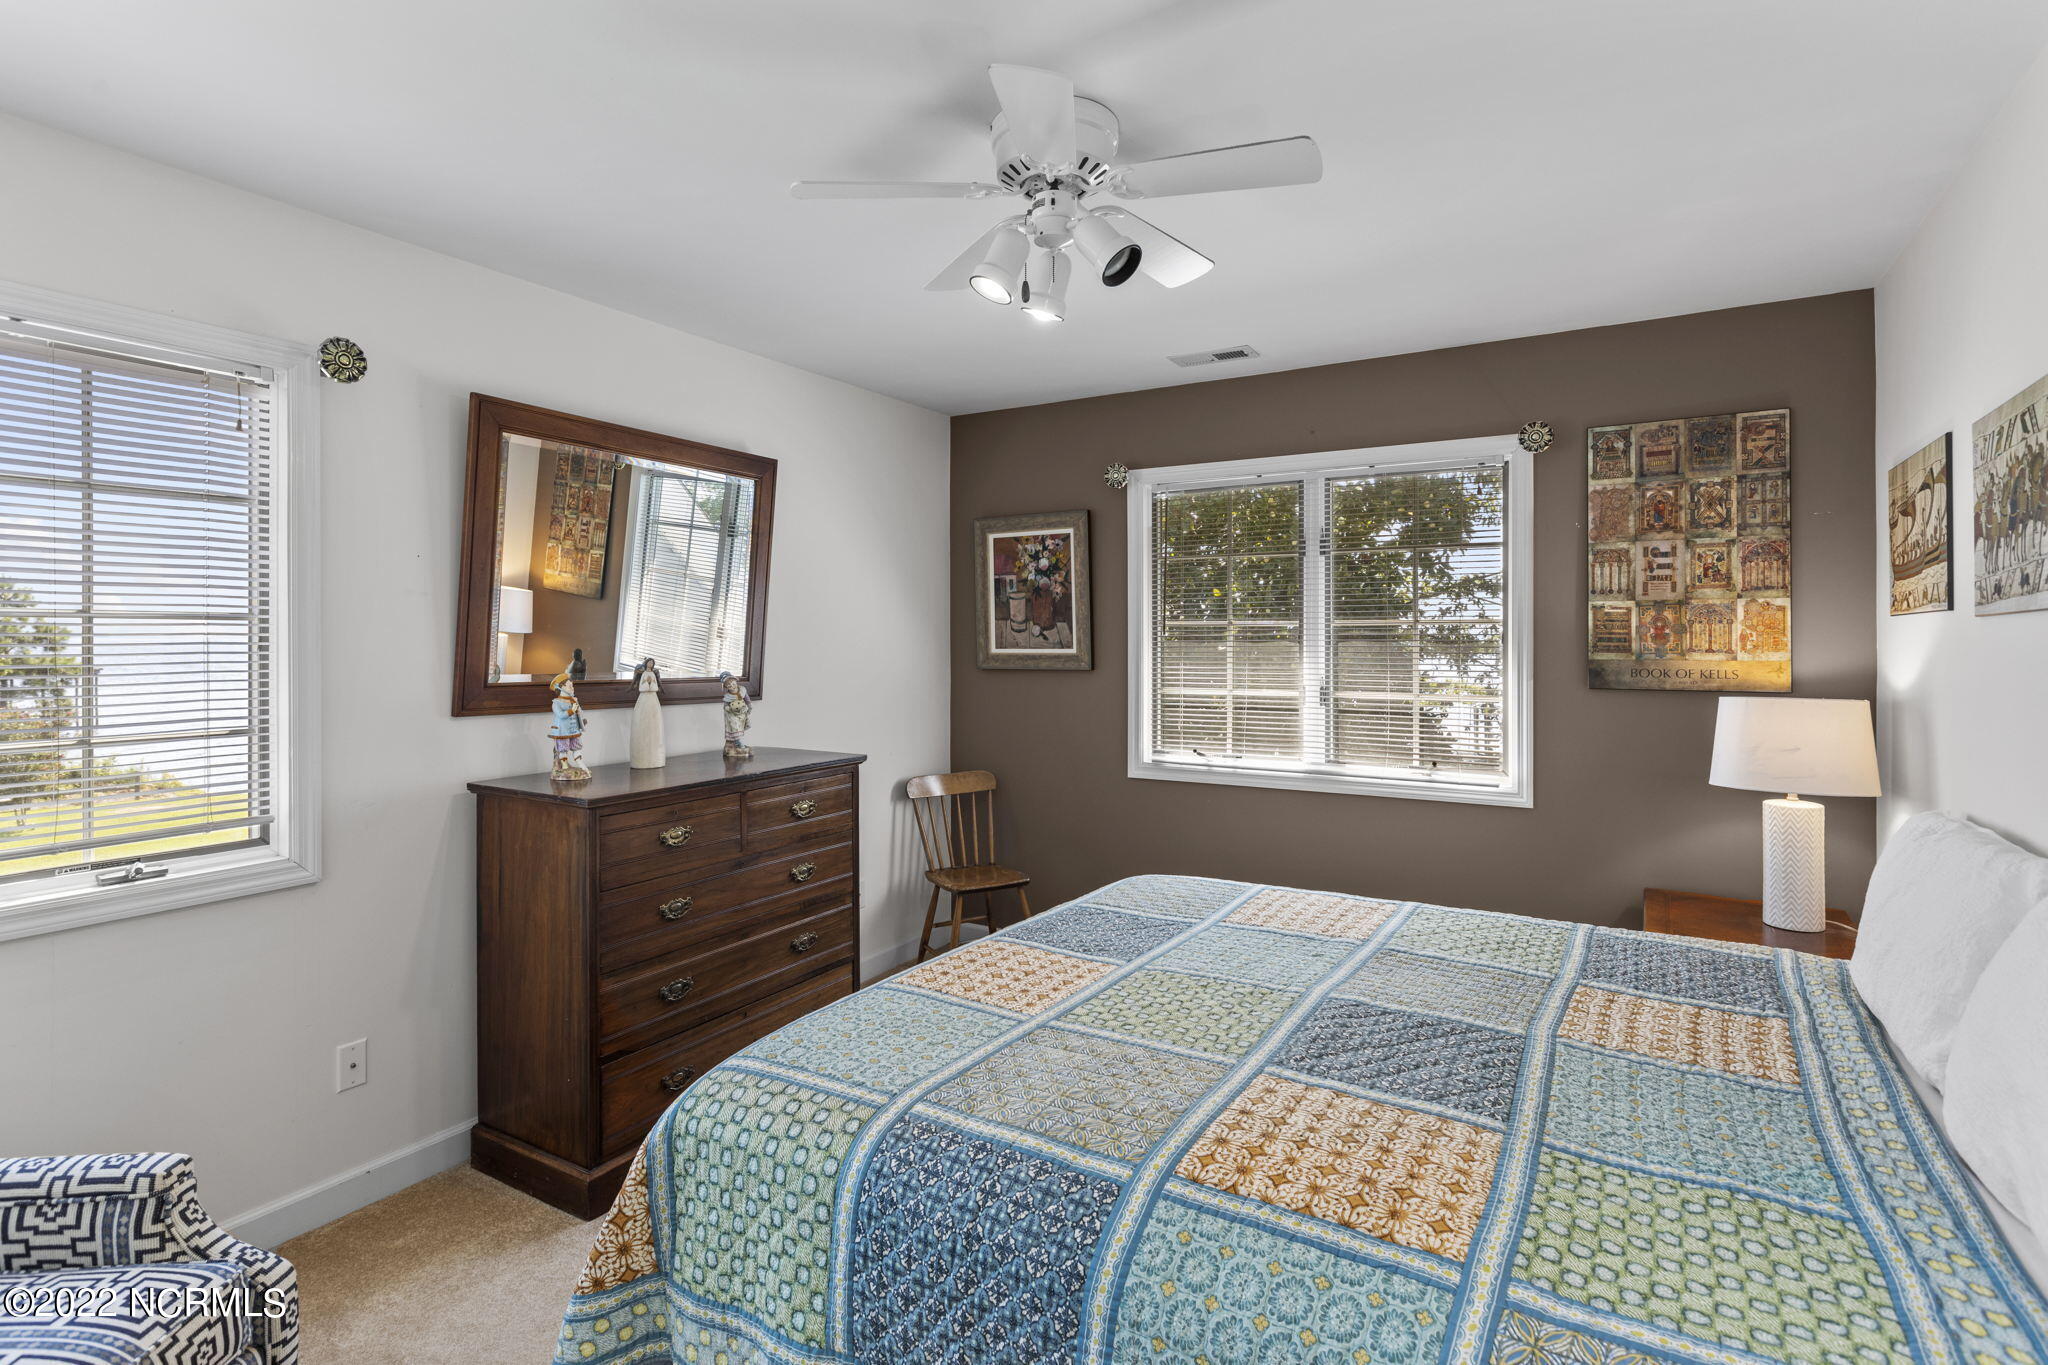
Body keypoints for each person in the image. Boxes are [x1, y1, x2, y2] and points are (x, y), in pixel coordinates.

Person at [548, 671, 591, 781]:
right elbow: (561, 715)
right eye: (569, 685)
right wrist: (571, 711)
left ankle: (581, 764)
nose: (572, 688)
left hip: (574, 729)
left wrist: (582, 719)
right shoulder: (556, 703)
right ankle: (564, 765)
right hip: (562, 731)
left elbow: (580, 711)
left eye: (572, 685)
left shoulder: (574, 700)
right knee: (563, 748)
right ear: (561, 687)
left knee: (576, 747)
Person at [718, 671, 752, 760]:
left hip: (741, 712)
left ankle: (736, 742)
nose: (732, 686)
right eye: (729, 686)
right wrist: (728, 708)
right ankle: (738, 742)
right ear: (726, 687)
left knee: (740, 726)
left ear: (736, 681)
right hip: (732, 714)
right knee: (734, 726)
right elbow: (725, 705)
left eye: (733, 683)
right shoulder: (728, 696)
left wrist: (749, 706)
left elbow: (747, 699)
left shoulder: (742, 689)